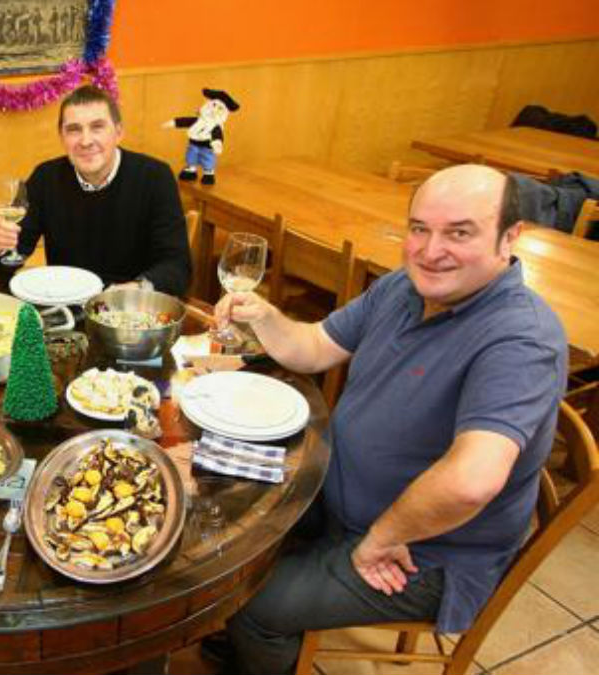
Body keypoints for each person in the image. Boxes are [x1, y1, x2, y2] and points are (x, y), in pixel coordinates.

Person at [215, 165, 567, 674]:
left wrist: (379, 539)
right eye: (419, 228)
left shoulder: (521, 339)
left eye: (459, 232)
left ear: (510, 237)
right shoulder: (406, 286)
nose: (430, 250)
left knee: (255, 605)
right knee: (229, 513)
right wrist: (263, 314)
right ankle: (244, 644)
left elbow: (471, 481)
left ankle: (255, 642)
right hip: (340, 490)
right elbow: (314, 347)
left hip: (421, 549)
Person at [0, 85, 192, 297]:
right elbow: (8, 260)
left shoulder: (156, 177)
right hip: (63, 305)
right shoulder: (45, 177)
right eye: (74, 129)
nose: (86, 141)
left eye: (97, 127)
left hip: (130, 309)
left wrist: (134, 290)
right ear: (62, 137)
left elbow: (177, 267)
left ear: (118, 133)